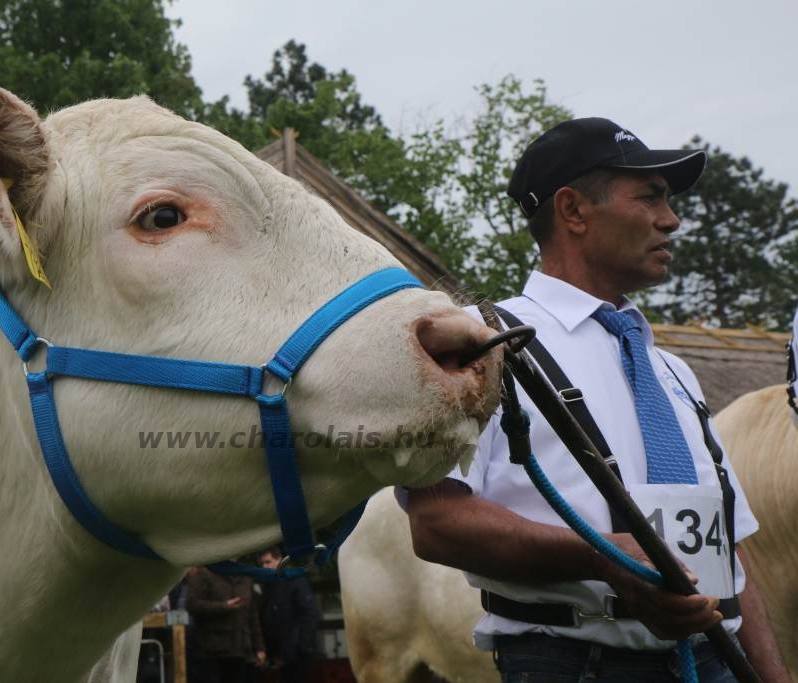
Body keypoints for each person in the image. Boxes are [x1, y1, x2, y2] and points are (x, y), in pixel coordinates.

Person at [405, 118, 791, 682]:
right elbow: (436, 522)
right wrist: (603, 557)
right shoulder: (479, 342)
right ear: (574, 211)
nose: (672, 219)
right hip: (578, 665)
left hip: (718, 662)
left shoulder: (673, 369)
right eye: (650, 197)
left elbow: (728, 548)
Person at [185, 565, 266, 683]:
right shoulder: (204, 573)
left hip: (239, 650)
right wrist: (223, 606)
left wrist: (259, 647)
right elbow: (192, 604)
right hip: (211, 651)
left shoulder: (245, 577)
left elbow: (252, 615)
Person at [256, 547, 321, 683]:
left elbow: (309, 613)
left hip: (296, 652)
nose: (264, 566)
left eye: (268, 562)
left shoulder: (295, 581)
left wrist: (302, 646)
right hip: (279, 653)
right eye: (262, 564)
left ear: (279, 560)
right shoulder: (268, 586)